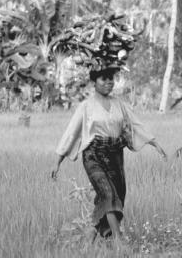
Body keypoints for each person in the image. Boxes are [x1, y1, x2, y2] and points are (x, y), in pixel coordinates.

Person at [51, 67, 167, 243]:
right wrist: (57, 162)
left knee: (116, 195)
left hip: (115, 155)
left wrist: (155, 144)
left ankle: (89, 238)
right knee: (108, 194)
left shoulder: (119, 104)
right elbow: (71, 133)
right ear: (94, 82)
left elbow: (135, 124)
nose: (108, 83)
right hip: (93, 155)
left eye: (111, 79)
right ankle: (118, 240)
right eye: (103, 79)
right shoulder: (86, 106)